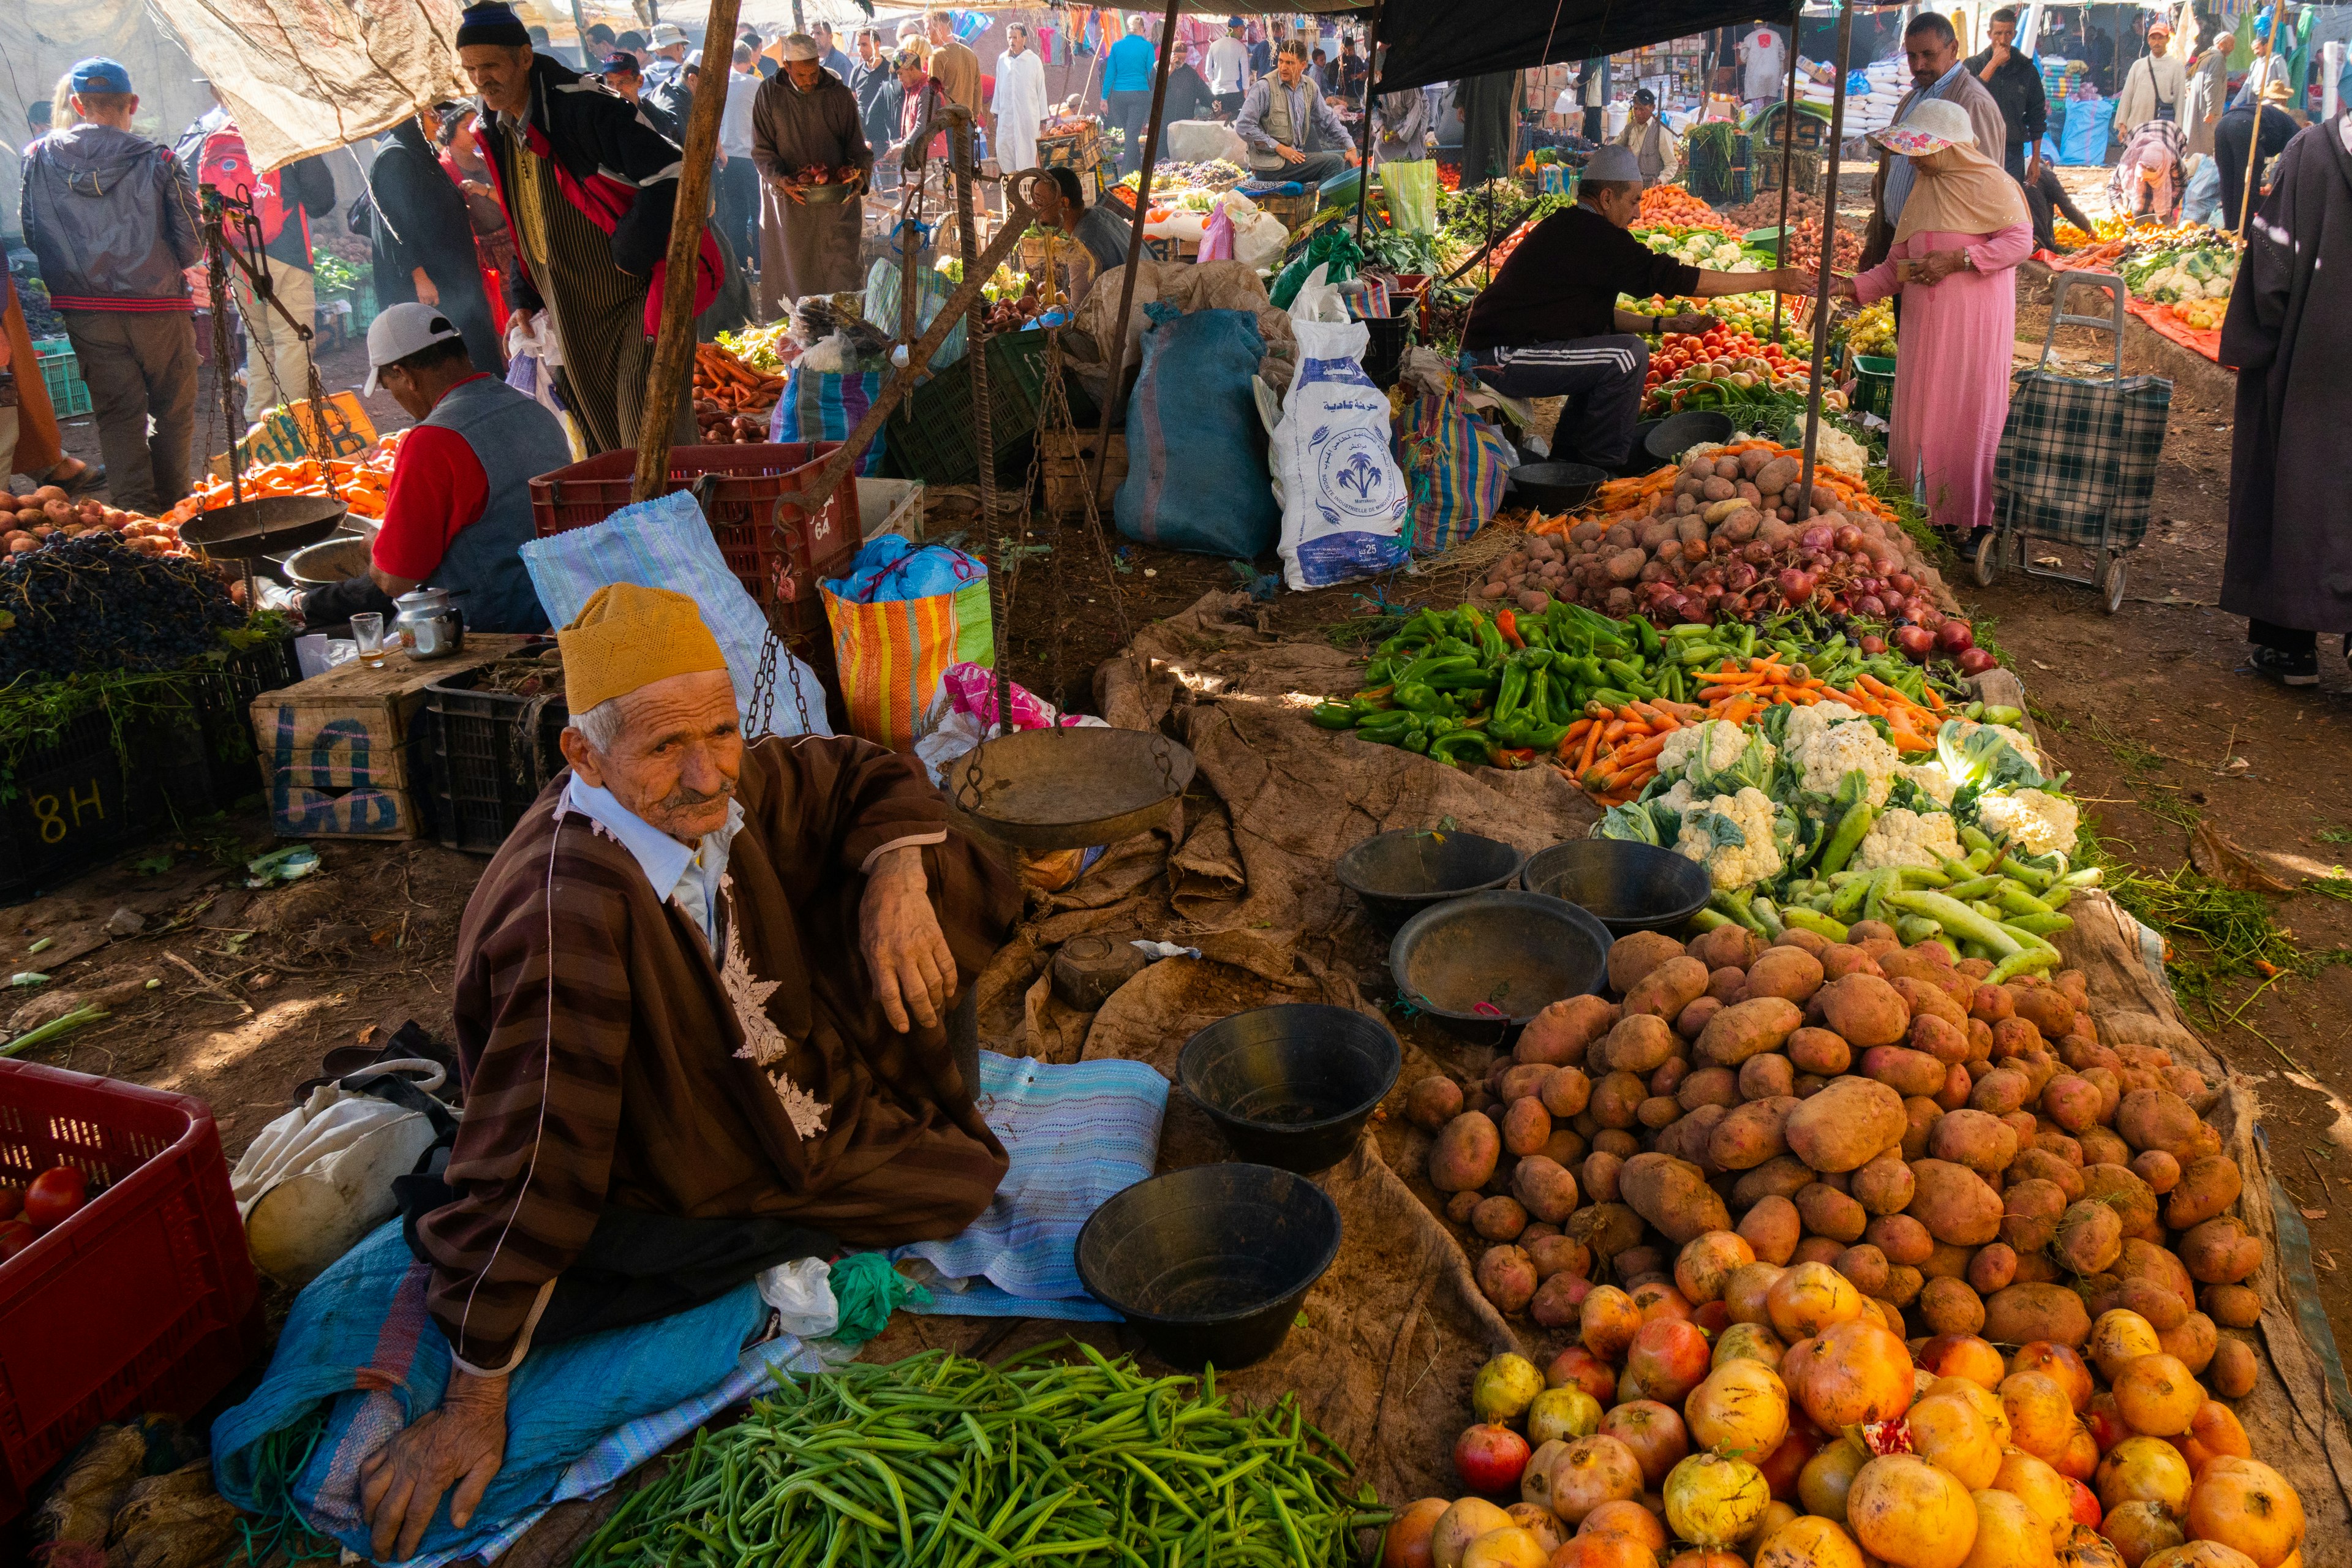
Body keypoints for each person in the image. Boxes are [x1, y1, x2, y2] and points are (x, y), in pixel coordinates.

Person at [354, 582, 1017, 1563]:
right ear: (583, 754)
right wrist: (475, 1400)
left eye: (722, 731)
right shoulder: (568, 915)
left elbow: (851, 772)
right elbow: (535, 1155)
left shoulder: (715, 791)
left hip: (746, 1074)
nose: (708, 776)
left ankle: (838, 1113)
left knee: (939, 860)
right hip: (660, 1154)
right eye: (666, 747)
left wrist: (897, 880)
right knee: (952, 1184)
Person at [459, 2, 718, 455]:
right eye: (471, 70)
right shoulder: (495, 128)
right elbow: (527, 218)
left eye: (491, 66)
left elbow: (675, 174)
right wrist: (524, 294)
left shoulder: (584, 109)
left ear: (523, 57)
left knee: (653, 440)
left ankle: (686, 524)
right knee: (604, 445)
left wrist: (628, 256)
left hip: (637, 305)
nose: (482, 79)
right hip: (573, 313)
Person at [1461, 143, 1807, 469]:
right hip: (1498, 358)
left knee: (1610, 353)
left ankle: (1568, 460)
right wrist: (1773, 280)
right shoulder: (1593, 237)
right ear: (1607, 197)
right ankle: (1600, 468)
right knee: (1627, 357)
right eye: (1633, 201)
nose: (1638, 211)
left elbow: (1592, 316)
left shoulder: (1572, 228)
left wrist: (1667, 325)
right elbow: (1675, 278)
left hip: (1502, 351)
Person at [1825, 99, 2031, 540]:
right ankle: (1926, 513)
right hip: (1923, 328)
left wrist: (1960, 259)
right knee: (1922, 412)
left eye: (1923, 150)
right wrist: (1845, 287)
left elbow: (2019, 242)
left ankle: (1976, 520)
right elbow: (1896, 267)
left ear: (1952, 147)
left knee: (1970, 409)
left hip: (1973, 326)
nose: (1914, 159)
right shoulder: (1923, 192)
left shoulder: (1993, 183)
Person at [293, 304, 564, 634]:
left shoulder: (433, 440)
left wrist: (373, 547)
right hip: (556, 603)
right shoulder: (531, 409)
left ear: (405, 375)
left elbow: (397, 580)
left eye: (388, 385)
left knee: (309, 637)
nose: (394, 396)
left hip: (489, 626)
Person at [17, 58, 200, 517]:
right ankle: (174, 505)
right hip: (158, 307)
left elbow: (33, 234)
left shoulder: (37, 158)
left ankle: (137, 515)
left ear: (77, 105)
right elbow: (192, 243)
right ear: (133, 104)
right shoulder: (159, 160)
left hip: (85, 310)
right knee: (172, 409)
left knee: (118, 414)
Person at [2219, 110, 2351, 685]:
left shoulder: (2313, 152)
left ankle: (2288, 645)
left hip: (2311, 360)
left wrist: (2264, 335)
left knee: (2295, 486)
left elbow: (2271, 265)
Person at [178, 91, 337, 426]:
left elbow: (203, 201)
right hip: (286, 254)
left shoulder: (208, 136)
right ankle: (296, 431)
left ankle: (258, 429)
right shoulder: (282, 131)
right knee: (292, 341)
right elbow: (324, 200)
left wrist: (218, 251)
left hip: (236, 256)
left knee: (259, 341)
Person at [1861, 13, 2005, 273]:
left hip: (1939, 261)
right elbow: (1890, 169)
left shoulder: (1972, 103)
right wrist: (1876, 238)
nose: (1919, 65)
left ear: (1953, 49)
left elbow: (1987, 189)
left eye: (1928, 54)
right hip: (1903, 248)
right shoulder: (1912, 99)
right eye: (1912, 56)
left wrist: (1956, 260)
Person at [368, 116, 506, 374]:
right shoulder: (395, 158)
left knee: (474, 349)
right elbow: (397, 225)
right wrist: (419, 276)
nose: (438, 118)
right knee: (444, 358)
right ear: (411, 118)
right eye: (429, 113)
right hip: (432, 282)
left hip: (453, 272)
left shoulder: (420, 151)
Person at [752, 34, 870, 320]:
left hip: (836, 202)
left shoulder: (838, 94)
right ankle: (797, 337)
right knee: (794, 273)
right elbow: (762, 150)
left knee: (841, 272)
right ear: (786, 66)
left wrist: (860, 176)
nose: (808, 80)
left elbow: (857, 146)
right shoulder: (769, 94)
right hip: (791, 202)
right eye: (801, 74)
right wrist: (780, 181)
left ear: (819, 63)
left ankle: (848, 332)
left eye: (813, 72)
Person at [1237, 39, 1359, 184]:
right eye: (1281, 61)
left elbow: (1328, 119)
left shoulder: (1309, 87)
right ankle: (1323, 207)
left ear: (1303, 65)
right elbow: (1243, 126)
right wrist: (1278, 147)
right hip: (1271, 165)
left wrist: (1350, 145)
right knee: (1334, 163)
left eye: (1290, 63)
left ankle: (1319, 202)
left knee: (1346, 161)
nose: (1283, 67)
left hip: (1294, 160)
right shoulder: (1264, 87)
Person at [1968, 7, 2049, 184]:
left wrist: (2035, 160)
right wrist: (1994, 63)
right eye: (1998, 33)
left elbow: (2037, 116)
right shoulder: (1974, 65)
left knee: (2009, 204)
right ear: (1989, 34)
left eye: (2008, 33)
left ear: (2015, 34)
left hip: (2012, 151)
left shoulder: (2026, 69)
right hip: (1979, 149)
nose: (2003, 40)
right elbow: (1968, 99)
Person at [1029, 166, 1126, 307]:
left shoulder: (1081, 249)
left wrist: (1049, 312)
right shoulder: (1101, 213)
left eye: (1039, 200)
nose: (1033, 205)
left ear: (1064, 203)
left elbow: (1079, 314)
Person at [2214, 92, 2301, 236]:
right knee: (2247, 188)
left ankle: (2230, 232)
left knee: (2228, 183)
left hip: (2223, 125)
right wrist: (2272, 183)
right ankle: (2243, 236)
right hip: (2245, 127)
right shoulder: (2297, 133)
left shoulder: (2274, 117)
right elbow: (2285, 158)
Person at [1101, 15, 1158, 178]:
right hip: (1140, 94)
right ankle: (1127, 174)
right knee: (1132, 135)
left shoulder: (1117, 46)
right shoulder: (1147, 47)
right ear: (1141, 29)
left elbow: (1110, 73)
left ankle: (1137, 170)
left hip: (1119, 96)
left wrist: (1104, 99)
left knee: (1130, 134)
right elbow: (1151, 72)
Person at [2115, 17, 2187, 139]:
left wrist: (2179, 130)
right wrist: (2122, 125)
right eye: (2153, 38)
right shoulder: (2138, 65)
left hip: (2162, 125)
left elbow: (2180, 101)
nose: (2157, 42)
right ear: (2148, 40)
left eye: (2161, 38)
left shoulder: (2177, 66)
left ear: (2167, 40)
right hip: (2137, 124)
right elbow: (2127, 96)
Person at [2111, 118, 2190, 223]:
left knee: (2167, 185)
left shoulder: (2173, 161)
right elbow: (2112, 187)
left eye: (2147, 177)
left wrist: (2167, 208)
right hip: (2139, 132)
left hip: (2170, 132)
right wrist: (2121, 209)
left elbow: (2181, 186)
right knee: (2138, 193)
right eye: (2140, 176)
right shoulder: (2131, 160)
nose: (2143, 179)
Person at [992, 23, 1047, 172]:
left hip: (1028, 119)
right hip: (1007, 118)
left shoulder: (1034, 60)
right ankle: (1010, 189)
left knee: (1027, 151)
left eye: (1015, 37)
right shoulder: (1002, 60)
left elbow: (1041, 90)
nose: (1012, 41)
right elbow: (998, 87)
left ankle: (1027, 186)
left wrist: (1043, 118)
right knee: (1006, 150)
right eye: (1009, 37)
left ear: (1024, 38)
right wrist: (996, 113)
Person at [852, 29, 903, 190]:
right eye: (859, 45)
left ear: (877, 45)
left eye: (865, 45)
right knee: (863, 188)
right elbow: (854, 101)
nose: (860, 49)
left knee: (889, 189)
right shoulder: (856, 72)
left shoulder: (891, 71)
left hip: (884, 139)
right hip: (863, 139)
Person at [926, 13, 984, 138]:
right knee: (966, 159)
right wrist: (973, 118)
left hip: (947, 127)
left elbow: (934, 96)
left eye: (928, 28)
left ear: (940, 29)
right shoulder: (970, 54)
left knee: (952, 159)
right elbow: (978, 91)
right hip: (967, 123)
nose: (926, 33)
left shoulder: (937, 56)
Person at [2022, 158, 2100, 251]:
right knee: (2043, 246)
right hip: (2034, 220)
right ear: (2047, 164)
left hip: (2017, 220)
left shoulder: (2020, 166)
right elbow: (2067, 207)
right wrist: (2088, 228)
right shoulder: (2046, 174)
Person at [1457, 70, 1518, 185]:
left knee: (1498, 140)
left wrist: (1519, 106)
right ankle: (1474, 184)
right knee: (1475, 142)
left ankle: (1500, 183)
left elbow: (1519, 76)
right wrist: (1461, 101)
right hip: (1474, 99)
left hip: (1501, 101)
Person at [2185, 13, 2232, 160]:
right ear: (2221, 44)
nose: (2233, 48)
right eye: (2231, 44)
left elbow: (2189, 76)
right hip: (2207, 109)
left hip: (2198, 104)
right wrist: (2211, 110)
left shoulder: (2206, 55)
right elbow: (2212, 83)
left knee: (2196, 136)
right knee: (2207, 142)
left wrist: (2188, 89)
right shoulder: (2217, 58)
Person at [1613, 88, 1681, 186]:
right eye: (1636, 109)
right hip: (1632, 185)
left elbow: (1672, 165)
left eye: (1642, 109)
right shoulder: (1630, 129)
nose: (1638, 113)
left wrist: (1659, 181)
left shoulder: (1661, 132)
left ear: (1653, 108)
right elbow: (1613, 147)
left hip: (1652, 190)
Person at [1374, 86, 1432, 167]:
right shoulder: (1371, 83)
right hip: (1389, 116)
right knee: (1380, 146)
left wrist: (1402, 134)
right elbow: (1372, 107)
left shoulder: (1407, 85)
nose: (1379, 76)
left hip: (1415, 112)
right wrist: (1380, 125)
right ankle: (1382, 174)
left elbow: (1415, 110)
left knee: (1414, 146)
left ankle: (1416, 173)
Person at [1163, 43, 1218, 127]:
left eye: (1183, 59)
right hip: (1164, 122)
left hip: (1184, 122)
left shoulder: (1190, 73)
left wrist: (1213, 102)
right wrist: (1170, 70)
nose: (1181, 61)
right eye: (1178, 58)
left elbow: (1203, 91)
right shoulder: (1159, 66)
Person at [1207, 18, 1252, 119]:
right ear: (1237, 28)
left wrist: (1214, 83)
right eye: (1243, 30)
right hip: (1235, 93)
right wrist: (1246, 92)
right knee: (1233, 125)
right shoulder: (1241, 47)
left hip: (1217, 93)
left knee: (1218, 123)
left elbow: (1208, 70)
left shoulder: (1214, 45)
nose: (1243, 33)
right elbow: (1245, 73)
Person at [1739, 25, 1787, 108]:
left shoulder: (1750, 37)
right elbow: (1782, 56)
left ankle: (1760, 121)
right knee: (1768, 111)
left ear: (1755, 25)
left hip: (1756, 78)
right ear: (1767, 24)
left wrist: (1752, 60)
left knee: (1758, 113)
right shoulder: (1776, 36)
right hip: (1773, 77)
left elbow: (1743, 58)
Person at [640, 22, 689, 89]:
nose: (684, 49)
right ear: (678, 47)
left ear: (656, 51)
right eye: (683, 46)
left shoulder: (642, 78)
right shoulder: (686, 75)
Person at [810, 21, 855, 85]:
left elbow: (848, 91)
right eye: (811, 34)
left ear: (830, 37)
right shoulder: (810, 63)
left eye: (819, 33)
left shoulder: (842, 63)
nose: (814, 37)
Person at [1578, 61, 1605, 143]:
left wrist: (1576, 83)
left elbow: (1588, 74)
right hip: (1594, 97)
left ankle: (1596, 152)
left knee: (1593, 128)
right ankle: (1589, 149)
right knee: (1590, 127)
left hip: (1594, 96)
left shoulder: (1595, 51)